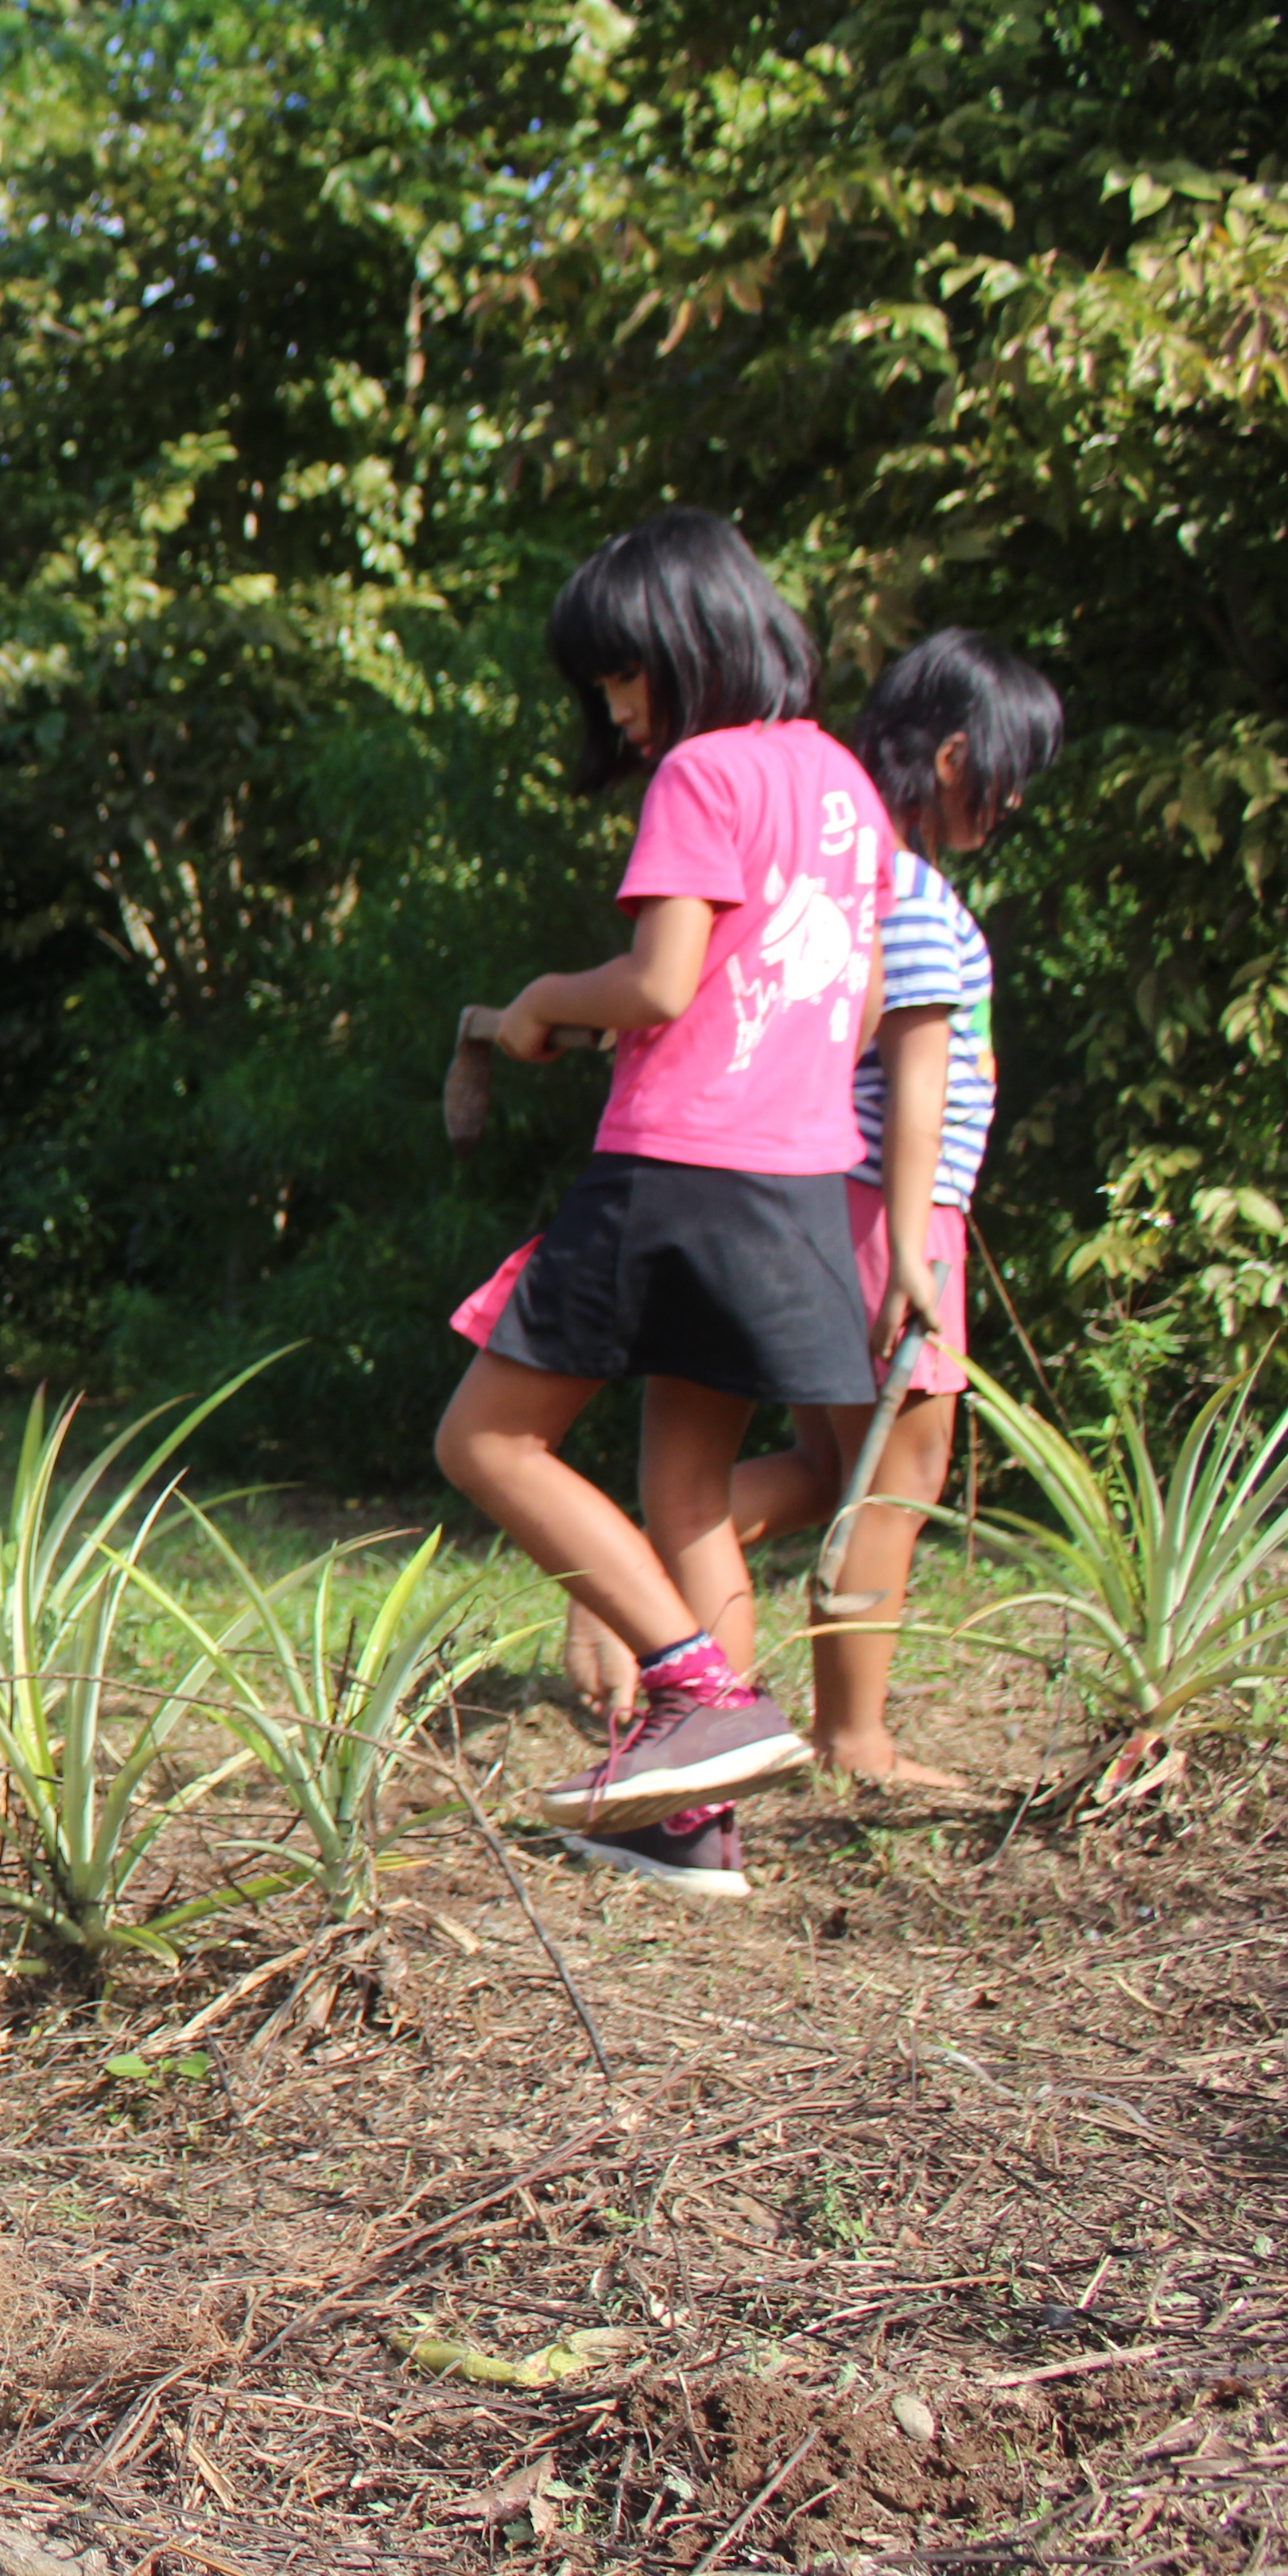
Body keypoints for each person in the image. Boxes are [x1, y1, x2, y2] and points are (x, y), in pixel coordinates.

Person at [436, 507, 894, 1890]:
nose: (617, 708)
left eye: (623, 674)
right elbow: (858, 1005)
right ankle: (689, 1823)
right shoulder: (841, 786)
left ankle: (696, 1688)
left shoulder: (701, 774)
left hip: (675, 1167)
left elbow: (656, 983)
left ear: (688, 645)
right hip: (797, 1179)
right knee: (685, 1490)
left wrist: (532, 1006)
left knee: (486, 1443)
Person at [561, 631, 1063, 1815]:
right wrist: (915, 1239)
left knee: (839, 1464)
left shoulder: (856, 871)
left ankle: (626, 1571)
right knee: (901, 1471)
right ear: (953, 756)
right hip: (892, 1209)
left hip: (817, 1195)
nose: (1017, 796)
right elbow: (921, 1079)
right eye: (1009, 768)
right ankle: (856, 1736)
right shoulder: (917, 895)